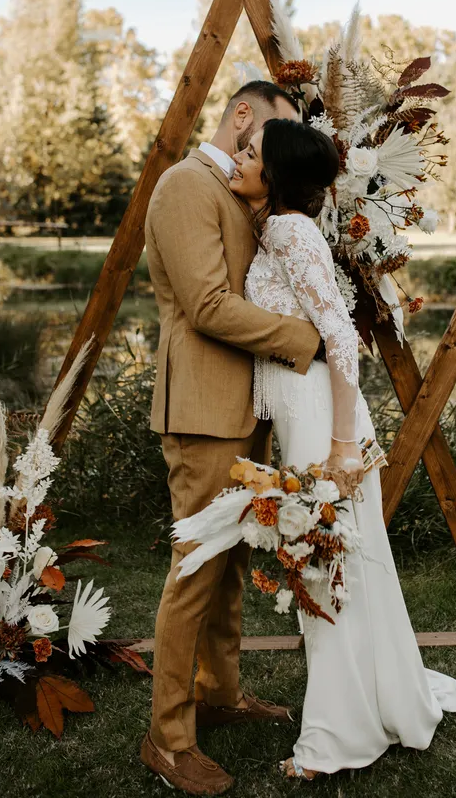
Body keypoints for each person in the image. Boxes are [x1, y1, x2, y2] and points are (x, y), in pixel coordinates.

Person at [230, 117, 456, 780]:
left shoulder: (287, 229)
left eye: (251, 152)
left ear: (276, 175)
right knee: (346, 571)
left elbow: (338, 337)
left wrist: (340, 445)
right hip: (303, 416)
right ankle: (375, 703)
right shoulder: (280, 228)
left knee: (324, 573)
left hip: (320, 422)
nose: (240, 156)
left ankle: (335, 741)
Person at [140, 83, 323, 795]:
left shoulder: (243, 194)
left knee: (233, 562)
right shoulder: (185, 185)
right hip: (203, 410)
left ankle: (220, 695)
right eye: (271, 132)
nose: (272, 155)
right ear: (243, 113)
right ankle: (168, 737)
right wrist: (306, 339)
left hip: (245, 408)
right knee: (195, 570)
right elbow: (210, 305)